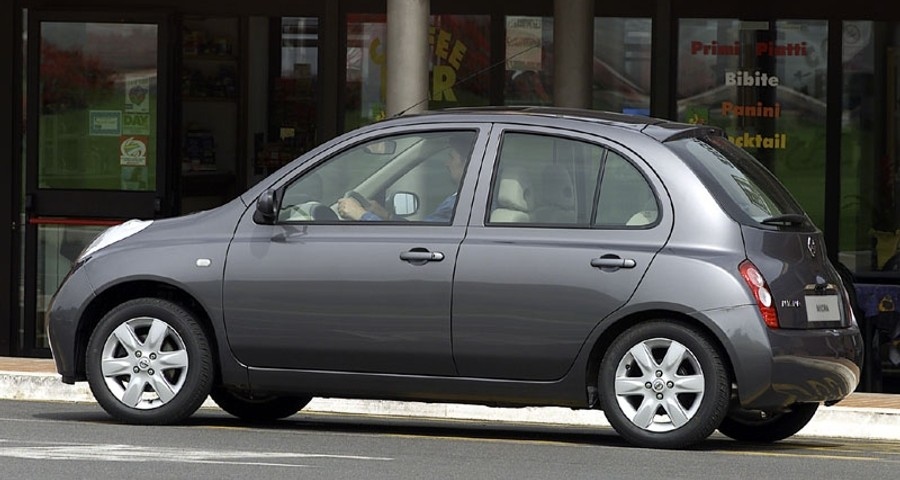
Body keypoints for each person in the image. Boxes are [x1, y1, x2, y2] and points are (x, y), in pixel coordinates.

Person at [337, 136, 470, 222]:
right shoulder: (467, 202)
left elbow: (420, 241)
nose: (446, 163)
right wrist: (386, 216)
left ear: (466, 164)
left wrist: (360, 215)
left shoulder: (459, 205)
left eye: (452, 157)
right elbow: (421, 233)